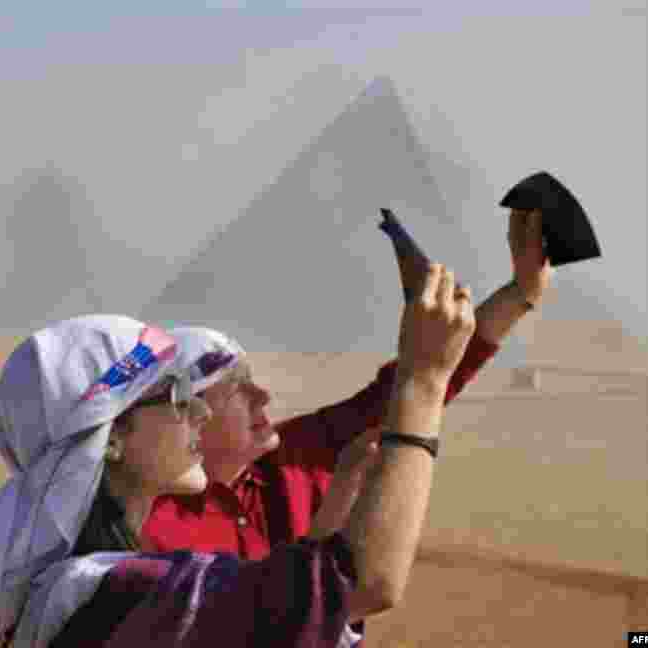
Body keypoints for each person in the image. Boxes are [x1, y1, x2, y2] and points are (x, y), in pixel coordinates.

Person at [0, 262, 474, 648]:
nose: (200, 415)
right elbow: (355, 586)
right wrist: (423, 383)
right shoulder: (104, 590)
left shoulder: (92, 587)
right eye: (178, 399)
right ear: (111, 437)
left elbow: (297, 615)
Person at [143, 208, 553, 565]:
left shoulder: (294, 458)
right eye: (236, 389)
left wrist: (521, 293)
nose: (262, 396)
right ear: (189, 415)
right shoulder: (148, 535)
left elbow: (419, 379)